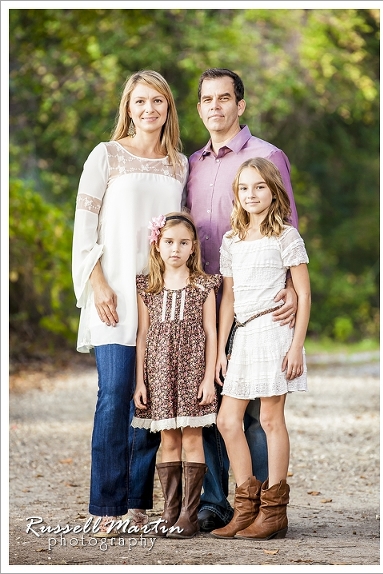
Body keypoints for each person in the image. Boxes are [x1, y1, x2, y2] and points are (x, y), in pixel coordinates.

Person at [71, 70, 187, 536]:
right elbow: (84, 227)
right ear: (128, 106)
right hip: (114, 296)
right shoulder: (106, 157)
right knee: (115, 397)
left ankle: (138, 503)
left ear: (168, 108)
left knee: (151, 404)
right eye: (140, 101)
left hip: (161, 302)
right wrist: (96, 281)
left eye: (157, 101)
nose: (149, 110)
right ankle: (106, 507)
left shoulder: (180, 164)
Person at [184, 67, 300, 532]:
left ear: (240, 105)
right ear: (199, 108)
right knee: (211, 402)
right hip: (207, 295)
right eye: (207, 99)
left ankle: (269, 510)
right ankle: (221, 503)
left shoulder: (266, 156)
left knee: (257, 411)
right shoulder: (191, 162)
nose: (216, 107)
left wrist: (291, 287)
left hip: (259, 300)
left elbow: (287, 226)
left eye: (224, 98)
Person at [210, 157, 310, 540]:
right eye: (244, 188)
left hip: (274, 331)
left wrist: (297, 345)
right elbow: (229, 298)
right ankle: (244, 505)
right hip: (244, 334)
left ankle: (273, 511)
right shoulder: (232, 240)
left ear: (273, 191)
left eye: (259, 187)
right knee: (226, 421)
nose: (251, 195)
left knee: (270, 419)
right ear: (236, 194)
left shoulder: (285, 236)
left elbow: (303, 293)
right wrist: (221, 349)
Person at [132, 212, 221, 539]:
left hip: (193, 371)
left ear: (193, 247)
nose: (176, 249)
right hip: (159, 372)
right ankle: (170, 511)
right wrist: (140, 381)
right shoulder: (147, 286)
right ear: (158, 245)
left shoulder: (204, 284)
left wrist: (209, 378)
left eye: (183, 243)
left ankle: (189, 514)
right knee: (168, 439)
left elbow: (211, 333)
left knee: (192, 437)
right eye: (169, 242)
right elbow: (143, 334)